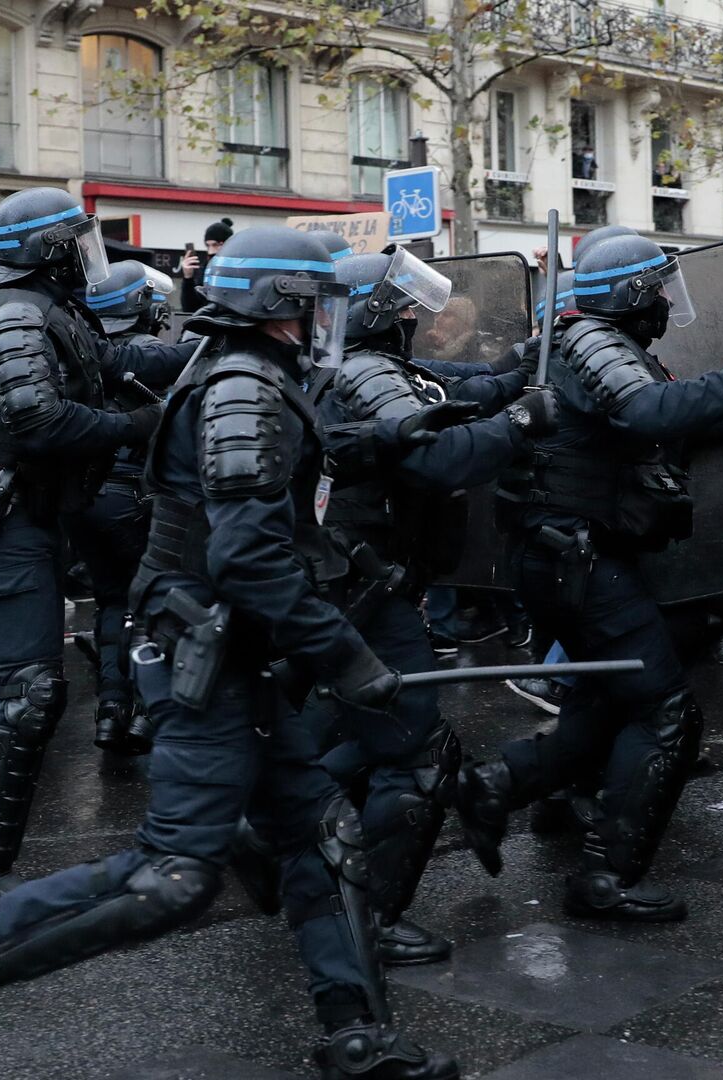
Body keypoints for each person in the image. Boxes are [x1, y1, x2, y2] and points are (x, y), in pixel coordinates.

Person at [0, 225, 461, 1080]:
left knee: (321, 838)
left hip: (236, 648)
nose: (328, 320)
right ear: (283, 306)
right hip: (206, 655)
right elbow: (247, 555)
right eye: (318, 304)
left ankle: (356, 1034)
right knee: (177, 875)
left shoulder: (252, 376)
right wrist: (348, 661)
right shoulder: (245, 387)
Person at [0, 188, 184, 916]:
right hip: (2, 520)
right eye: (77, 241)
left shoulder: (44, 306)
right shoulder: (16, 311)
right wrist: (143, 425)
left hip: (24, 516)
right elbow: (38, 416)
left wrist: (206, 345)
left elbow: (111, 357)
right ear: (50, 248)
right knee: (31, 691)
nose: (88, 253)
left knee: (24, 691)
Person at [454, 233, 723, 922]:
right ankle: (605, 876)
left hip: (568, 557)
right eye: (657, 290)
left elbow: (660, 426)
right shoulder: (594, 342)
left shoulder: (596, 346)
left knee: (603, 709)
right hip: (578, 560)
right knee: (665, 712)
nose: (664, 302)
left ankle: (494, 785)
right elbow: (648, 413)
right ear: (632, 296)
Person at [292, 245, 549, 966]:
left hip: (351, 580)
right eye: (403, 304)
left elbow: (446, 388)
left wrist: (515, 371)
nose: (413, 315)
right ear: (373, 312)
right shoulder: (368, 369)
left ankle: (274, 830)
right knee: (414, 756)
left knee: (344, 732)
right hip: (365, 582)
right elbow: (436, 454)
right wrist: (522, 425)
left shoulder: (354, 366)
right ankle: (366, 918)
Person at [77, 260, 196, 757]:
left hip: (90, 497)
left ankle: (110, 712)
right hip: (141, 497)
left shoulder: (85, 352)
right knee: (157, 602)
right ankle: (152, 714)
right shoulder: (152, 355)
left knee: (110, 602)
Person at [178, 217, 234, 312]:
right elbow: (189, 309)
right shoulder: (205, 270)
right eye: (208, 245)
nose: (211, 251)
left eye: (216, 245)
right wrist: (188, 278)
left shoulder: (239, 268)